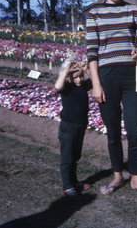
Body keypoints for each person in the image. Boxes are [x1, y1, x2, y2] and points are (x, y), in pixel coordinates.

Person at [86, 0, 137, 197]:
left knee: (135, 130)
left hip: (132, 76)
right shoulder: (94, 13)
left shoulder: (134, 10)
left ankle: (136, 178)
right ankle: (118, 176)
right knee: (113, 131)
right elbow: (91, 52)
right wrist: (96, 84)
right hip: (106, 78)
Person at [54, 58, 92, 197]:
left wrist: (86, 69)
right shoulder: (66, 87)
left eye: (81, 76)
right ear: (69, 77)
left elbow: (94, 80)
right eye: (76, 77)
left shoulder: (82, 86)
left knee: (75, 156)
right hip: (68, 127)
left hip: (80, 126)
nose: (80, 80)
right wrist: (66, 71)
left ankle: (74, 181)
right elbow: (57, 86)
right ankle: (67, 186)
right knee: (67, 157)